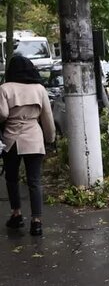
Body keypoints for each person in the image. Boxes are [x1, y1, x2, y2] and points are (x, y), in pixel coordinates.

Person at [0, 56, 55, 236]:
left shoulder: (5, 89)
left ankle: (17, 214)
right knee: (35, 181)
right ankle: (36, 221)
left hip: (12, 139)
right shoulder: (39, 89)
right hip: (34, 137)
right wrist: (50, 138)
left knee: (12, 177)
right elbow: (47, 117)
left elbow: (2, 114)